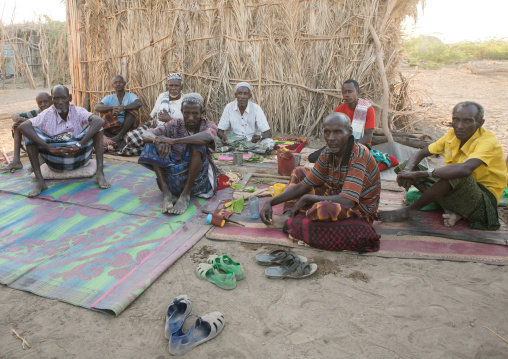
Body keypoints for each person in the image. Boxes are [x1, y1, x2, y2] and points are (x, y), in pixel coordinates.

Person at [260, 113, 381, 251]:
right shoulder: (327, 153)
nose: (331, 138)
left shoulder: (359, 154)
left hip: (359, 210)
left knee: (324, 209)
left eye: (337, 132)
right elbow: (305, 184)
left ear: (349, 132)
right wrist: (271, 202)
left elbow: (348, 201)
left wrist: (310, 198)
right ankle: (289, 215)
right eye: (327, 132)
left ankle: (292, 221)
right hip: (339, 193)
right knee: (300, 172)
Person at [379, 101, 507, 230]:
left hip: (483, 200)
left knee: (454, 174)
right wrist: (406, 171)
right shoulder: (452, 135)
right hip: (457, 189)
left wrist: (422, 173)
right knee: (408, 164)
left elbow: (464, 170)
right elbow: (421, 153)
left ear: (480, 123)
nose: (459, 126)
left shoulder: (488, 141)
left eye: (467, 121)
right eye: (456, 120)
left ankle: (409, 211)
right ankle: (448, 209)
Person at [18, 85, 111, 197]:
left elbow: (99, 121)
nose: (60, 102)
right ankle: (40, 181)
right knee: (29, 133)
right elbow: (23, 127)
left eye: (63, 98)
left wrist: (79, 145)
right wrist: (49, 148)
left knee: (97, 127)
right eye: (56, 98)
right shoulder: (46, 114)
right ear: (52, 100)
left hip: (78, 156)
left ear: (70, 98)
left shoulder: (78, 111)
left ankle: (99, 174)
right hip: (55, 160)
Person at [139, 93, 218, 215]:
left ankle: (185, 196)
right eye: (186, 113)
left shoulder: (208, 125)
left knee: (197, 144)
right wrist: (159, 140)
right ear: (182, 111)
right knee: (151, 144)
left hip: (198, 182)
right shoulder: (175, 124)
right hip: (173, 180)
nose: (190, 118)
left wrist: (173, 141)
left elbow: (206, 138)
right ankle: (166, 193)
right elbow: (146, 134)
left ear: (202, 112)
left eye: (195, 114)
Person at [117, 73, 185, 156]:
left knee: (131, 149)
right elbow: (152, 115)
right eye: (171, 85)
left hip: (172, 134)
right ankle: (153, 146)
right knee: (131, 137)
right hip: (154, 128)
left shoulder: (185, 102)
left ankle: (151, 147)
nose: (173, 88)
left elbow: (185, 127)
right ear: (167, 86)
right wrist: (147, 129)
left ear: (181, 87)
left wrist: (169, 119)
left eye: (176, 86)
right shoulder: (162, 96)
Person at [309, 79, 375, 162]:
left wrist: (351, 147)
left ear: (358, 92)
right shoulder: (339, 109)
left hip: (361, 145)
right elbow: (335, 133)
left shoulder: (367, 109)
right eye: (344, 92)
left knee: (348, 161)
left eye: (350, 91)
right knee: (313, 158)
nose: (347, 95)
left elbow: (368, 136)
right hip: (341, 144)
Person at [7, 92, 53, 171]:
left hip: (51, 146)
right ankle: (16, 160)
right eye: (40, 103)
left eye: (46, 101)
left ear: (51, 100)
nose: (43, 105)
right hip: (39, 143)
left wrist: (26, 121)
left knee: (25, 126)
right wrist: (18, 118)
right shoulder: (37, 112)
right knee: (17, 125)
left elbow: (41, 122)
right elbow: (15, 114)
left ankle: (41, 159)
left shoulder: (55, 112)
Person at [94, 75, 142, 143]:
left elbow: (138, 103)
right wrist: (112, 108)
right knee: (104, 111)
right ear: (113, 85)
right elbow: (96, 107)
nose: (118, 84)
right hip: (113, 127)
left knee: (134, 110)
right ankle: (117, 136)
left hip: (128, 126)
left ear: (124, 84)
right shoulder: (109, 98)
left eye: (120, 82)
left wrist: (123, 108)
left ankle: (120, 136)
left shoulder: (131, 96)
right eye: (115, 83)